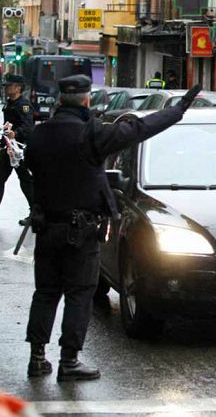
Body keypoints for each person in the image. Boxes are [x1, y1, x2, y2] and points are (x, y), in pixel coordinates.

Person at [23, 75, 202, 382]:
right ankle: (69, 360)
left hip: (47, 228)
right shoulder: (90, 135)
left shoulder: (40, 136)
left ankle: (37, 358)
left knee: (46, 293)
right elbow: (139, 128)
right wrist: (178, 109)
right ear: (86, 99)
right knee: (79, 294)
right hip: (81, 230)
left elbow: (31, 170)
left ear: (60, 99)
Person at [0, 74, 35, 226]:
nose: (6, 88)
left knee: (26, 181)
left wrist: (17, 133)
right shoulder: (9, 103)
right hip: (7, 148)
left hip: (19, 150)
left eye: (9, 85)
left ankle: (35, 213)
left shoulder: (23, 105)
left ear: (18, 87)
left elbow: (28, 127)